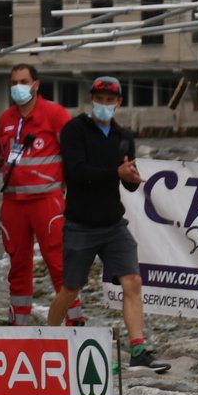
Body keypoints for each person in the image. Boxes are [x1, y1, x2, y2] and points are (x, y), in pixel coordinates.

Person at [47, 76, 168, 373]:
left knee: (133, 282)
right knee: (71, 288)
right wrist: (116, 172)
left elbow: (124, 185)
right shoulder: (75, 129)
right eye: (99, 99)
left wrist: (130, 179)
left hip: (113, 224)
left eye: (109, 99)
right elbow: (75, 173)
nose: (104, 104)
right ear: (92, 100)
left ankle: (138, 349)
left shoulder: (124, 137)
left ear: (119, 103)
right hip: (80, 224)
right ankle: (47, 339)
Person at [0, 64, 79, 326]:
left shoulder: (54, 114)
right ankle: (18, 322)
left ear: (36, 84)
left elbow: (74, 154)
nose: (18, 86)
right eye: (14, 82)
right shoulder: (6, 119)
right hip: (13, 203)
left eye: (23, 81)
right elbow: (0, 158)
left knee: (58, 262)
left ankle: (75, 320)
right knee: (17, 265)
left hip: (47, 201)